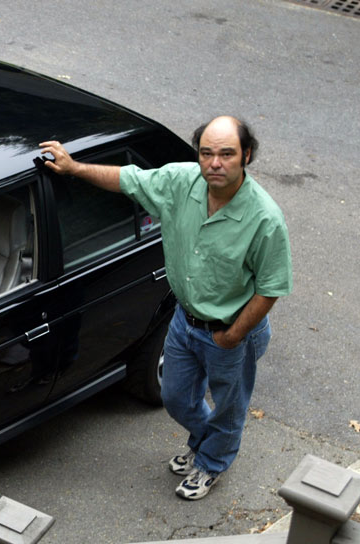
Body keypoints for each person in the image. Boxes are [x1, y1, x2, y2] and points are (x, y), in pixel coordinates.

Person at [38, 116, 292, 500]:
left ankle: (211, 462)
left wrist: (232, 336)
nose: (215, 163)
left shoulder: (264, 219)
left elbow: (270, 288)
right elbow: (126, 179)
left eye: (227, 154)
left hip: (232, 331)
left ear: (247, 156)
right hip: (184, 322)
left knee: (228, 408)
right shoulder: (179, 181)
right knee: (174, 397)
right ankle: (206, 440)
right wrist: (73, 168)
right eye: (207, 153)